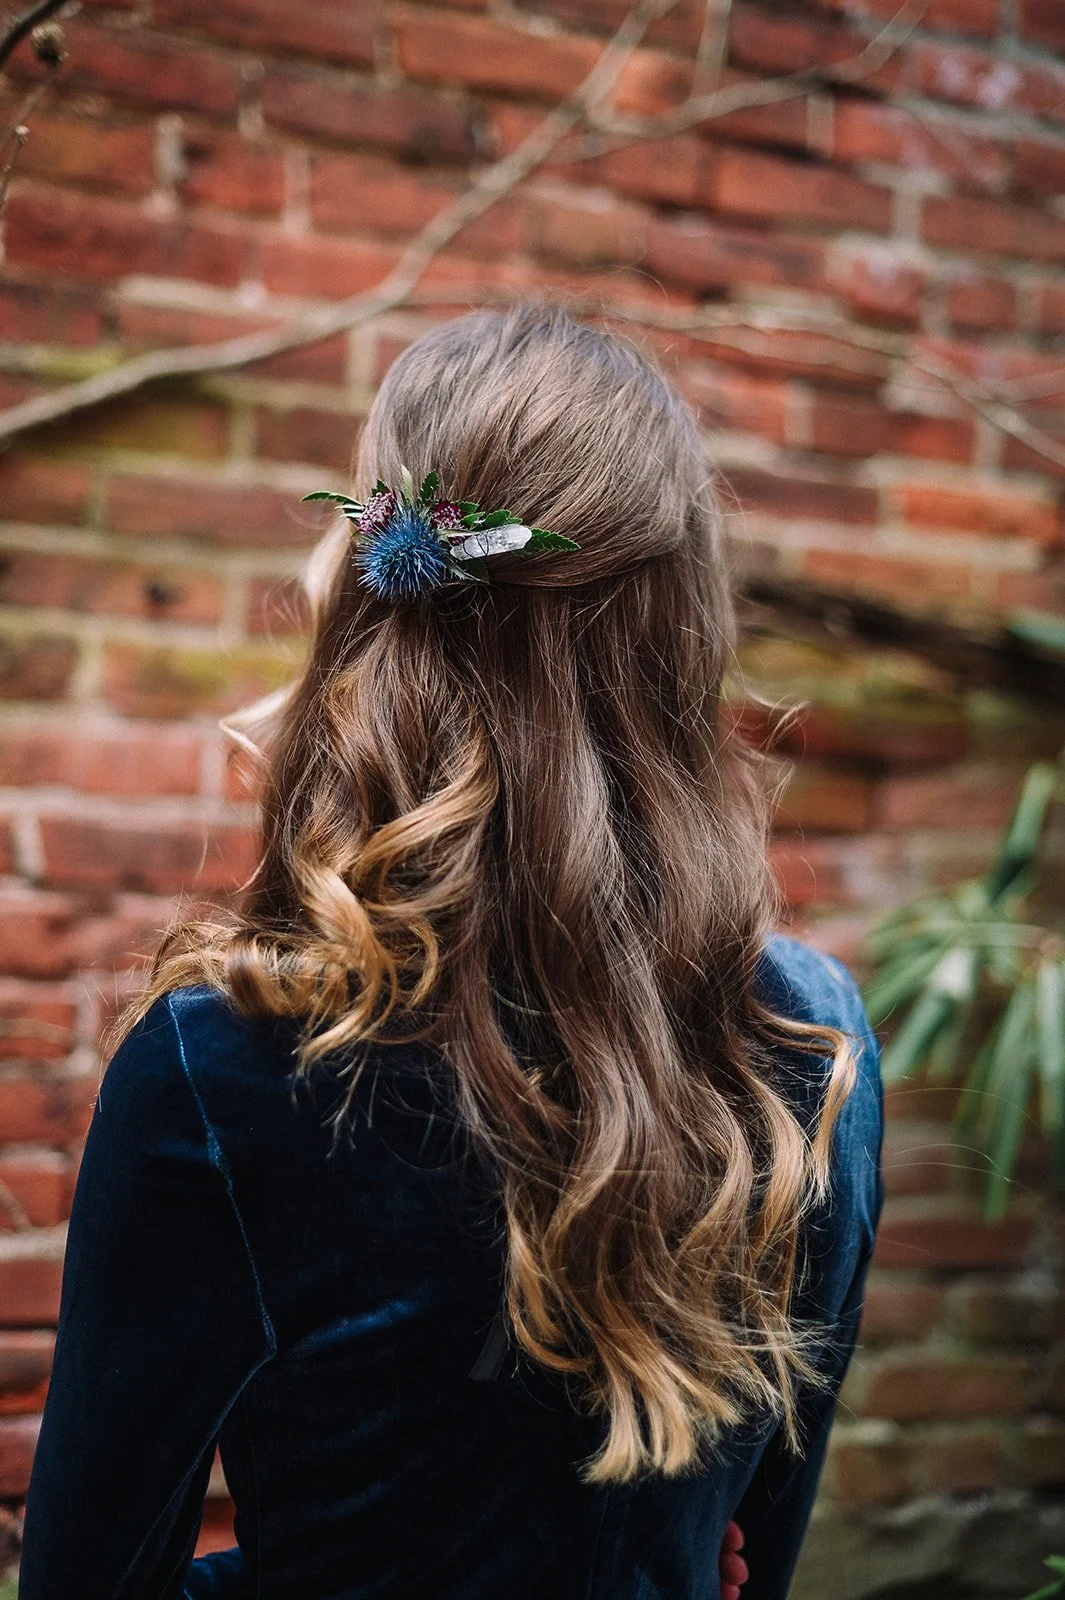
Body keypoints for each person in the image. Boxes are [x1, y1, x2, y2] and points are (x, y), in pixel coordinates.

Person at [19, 305, 883, 1600]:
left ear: (375, 579)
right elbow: (744, 1550)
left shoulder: (234, 1064)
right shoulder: (810, 1042)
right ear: (682, 616)